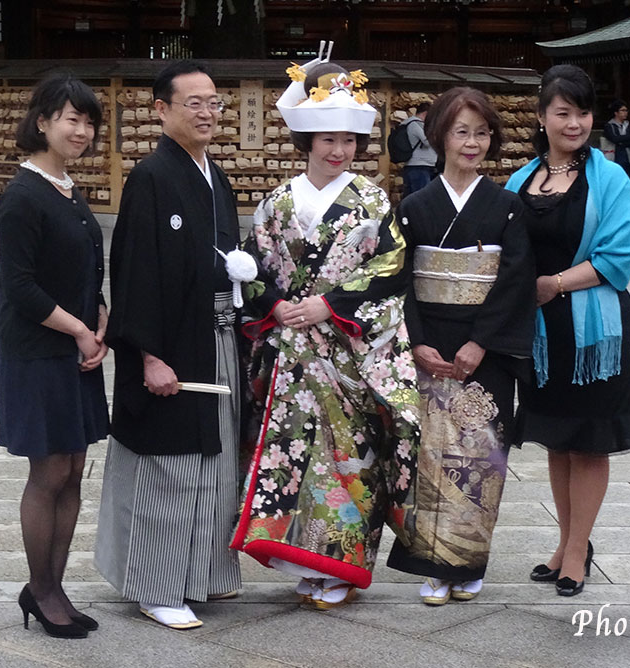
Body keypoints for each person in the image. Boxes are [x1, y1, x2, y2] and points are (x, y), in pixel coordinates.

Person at [231, 45, 420, 611]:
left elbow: (390, 267)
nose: (339, 150)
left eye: (348, 141)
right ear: (306, 142)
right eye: (327, 139)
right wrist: (276, 306)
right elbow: (253, 265)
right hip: (292, 352)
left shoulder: (372, 201)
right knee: (294, 455)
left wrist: (329, 305)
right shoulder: (276, 203)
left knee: (349, 457)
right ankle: (301, 558)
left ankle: (341, 562)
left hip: (346, 352)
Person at [96, 60, 243, 631]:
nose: (207, 113)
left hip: (215, 335)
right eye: (194, 103)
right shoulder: (152, 177)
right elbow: (133, 272)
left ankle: (200, 574)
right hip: (170, 344)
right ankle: (157, 585)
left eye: (214, 103)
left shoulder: (215, 176)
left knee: (214, 458)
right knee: (169, 465)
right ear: (161, 110)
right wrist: (147, 355)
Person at [505, 64, 630, 598]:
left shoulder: (610, 177)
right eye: (562, 112)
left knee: (589, 442)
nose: (575, 123)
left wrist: (554, 284)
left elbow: (617, 258)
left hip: (594, 333)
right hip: (541, 334)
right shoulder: (521, 180)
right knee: (558, 441)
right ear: (542, 117)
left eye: (583, 112)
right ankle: (567, 541)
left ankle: (576, 550)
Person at [386, 86, 535, 606]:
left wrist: (480, 343)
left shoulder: (507, 207)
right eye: (461, 132)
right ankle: (432, 565)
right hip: (430, 347)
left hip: (484, 352)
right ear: (440, 136)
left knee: (480, 458)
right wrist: (418, 343)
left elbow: (515, 280)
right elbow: (399, 280)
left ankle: (467, 562)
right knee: (430, 458)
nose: (471, 143)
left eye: (481, 132)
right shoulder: (414, 207)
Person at [0, 75, 109, 639]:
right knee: (50, 470)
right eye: (71, 119)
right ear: (41, 121)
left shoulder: (67, 186)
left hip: (73, 346)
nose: (82, 131)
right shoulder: (23, 194)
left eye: (89, 122)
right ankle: (40, 588)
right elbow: (22, 287)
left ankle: (53, 585)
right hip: (38, 349)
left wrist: (101, 316)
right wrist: (80, 332)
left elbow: (83, 266)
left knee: (75, 468)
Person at [401, 102, 437, 196]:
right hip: (419, 166)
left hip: (419, 165)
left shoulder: (413, 124)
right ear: (426, 114)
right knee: (422, 198)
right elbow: (427, 141)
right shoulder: (415, 124)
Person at [602, 99, 630, 184]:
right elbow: (614, 139)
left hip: (629, 156)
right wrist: (626, 139)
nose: (625, 113)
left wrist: (621, 140)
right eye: (622, 110)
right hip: (615, 156)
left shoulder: (629, 125)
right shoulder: (610, 126)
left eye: (626, 110)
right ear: (616, 112)